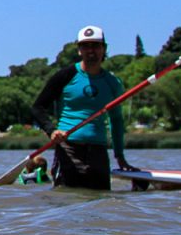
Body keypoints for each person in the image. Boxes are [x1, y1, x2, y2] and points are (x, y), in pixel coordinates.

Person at [31, 25, 135, 190]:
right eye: (85, 46)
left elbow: (116, 120)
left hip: (98, 151)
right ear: (79, 50)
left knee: (101, 199)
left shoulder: (112, 83)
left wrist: (120, 157)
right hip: (68, 148)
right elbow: (38, 107)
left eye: (95, 45)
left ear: (104, 49)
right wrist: (52, 131)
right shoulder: (65, 76)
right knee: (67, 197)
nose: (90, 50)